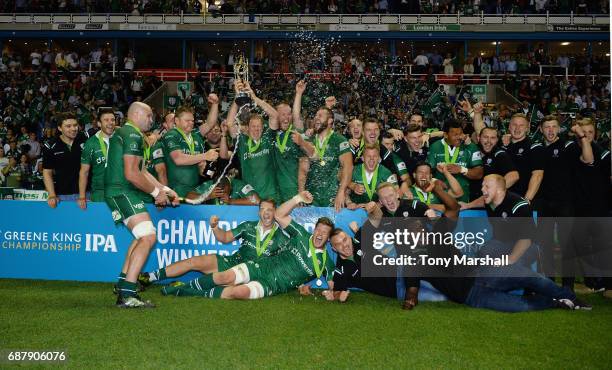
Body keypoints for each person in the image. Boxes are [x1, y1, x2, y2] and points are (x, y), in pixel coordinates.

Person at [161, 191, 335, 300]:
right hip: (261, 267)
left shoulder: (327, 263)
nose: (319, 234)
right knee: (224, 278)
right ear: (314, 229)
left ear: (328, 238)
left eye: (324, 233)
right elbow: (280, 214)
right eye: (318, 229)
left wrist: (331, 294)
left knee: (237, 293)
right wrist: (298, 198)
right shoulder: (301, 234)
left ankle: (186, 291)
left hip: (274, 285)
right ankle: (181, 288)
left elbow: (333, 285)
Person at [104, 102, 180, 308]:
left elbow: (143, 171)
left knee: (142, 237)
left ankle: (123, 285)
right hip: (122, 192)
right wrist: (156, 193)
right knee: (148, 237)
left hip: (123, 192)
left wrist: (165, 190)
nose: (151, 120)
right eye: (148, 116)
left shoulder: (131, 134)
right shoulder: (133, 135)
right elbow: (131, 174)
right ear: (136, 115)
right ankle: (127, 294)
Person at [138, 199, 287, 290]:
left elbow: (289, 263)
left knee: (221, 284)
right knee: (194, 261)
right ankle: (150, 277)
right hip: (234, 262)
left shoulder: (282, 237)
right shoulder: (248, 226)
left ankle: (185, 286)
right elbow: (225, 238)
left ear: (275, 212)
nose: (266, 213)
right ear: (258, 212)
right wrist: (215, 227)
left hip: (256, 274)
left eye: (270, 210)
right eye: (262, 209)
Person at [538, 115, 588, 290]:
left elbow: (587, 158)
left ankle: (568, 286)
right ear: (541, 129)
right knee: (545, 244)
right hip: (544, 203)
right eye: (547, 127)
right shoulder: (537, 148)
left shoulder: (569, 146)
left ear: (559, 129)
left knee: (567, 244)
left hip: (565, 202)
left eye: (553, 127)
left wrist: (581, 135)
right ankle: (549, 284)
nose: (550, 130)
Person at [221, 81, 280, 202]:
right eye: (253, 126)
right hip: (250, 197)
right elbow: (230, 123)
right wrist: (237, 99)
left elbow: (275, 116)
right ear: (247, 128)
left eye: (259, 126)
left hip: (270, 195)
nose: (256, 129)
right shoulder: (242, 141)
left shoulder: (268, 138)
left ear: (263, 128)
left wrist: (254, 97)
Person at [299, 107, 352, 211]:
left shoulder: (339, 140)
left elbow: (348, 167)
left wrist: (341, 192)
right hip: (311, 198)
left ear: (330, 120)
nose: (316, 118)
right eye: (315, 116)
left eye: (320, 116)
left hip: (332, 199)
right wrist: (301, 192)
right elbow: (303, 170)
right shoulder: (308, 141)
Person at [163, 106, 218, 198]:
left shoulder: (195, 136)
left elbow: (210, 124)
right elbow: (178, 159)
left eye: (192, 121)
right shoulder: (171, 135)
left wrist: (215, 104)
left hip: (194, 187)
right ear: (176, 120)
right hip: (177, 188)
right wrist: (205, 156)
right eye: (187, 120)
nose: (191, 123)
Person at [273, 80, 314, 203]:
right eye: (282, 115)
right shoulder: (271, 133)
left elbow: (296, 115)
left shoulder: (296, 132)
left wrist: (299, 94)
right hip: (275, 189)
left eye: (288, 114)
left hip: (293, 188)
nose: (286, 118)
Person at [427, 119, 483, 203]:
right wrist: (434, 180)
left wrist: (461, 169)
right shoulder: (435, 147)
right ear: (445, 135)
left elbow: (479, 173)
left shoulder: (471, 147)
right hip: (440, 196)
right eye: (455, 134)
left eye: (461, 133)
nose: (459, 137)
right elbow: (426, 171)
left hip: (462, 199)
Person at [42, 113, 88, 208]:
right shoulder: (50, 146)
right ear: (59, 128)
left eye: (75, 125)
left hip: (86, 194)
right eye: (68, 126)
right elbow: (47, 172)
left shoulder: (85, 139)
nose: (73, 128)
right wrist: (52, 195)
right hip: (62, 196)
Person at [500, 113, 544, 207]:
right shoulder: (502, 144)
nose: (517, 128)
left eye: (521, 125)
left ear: (527, 128)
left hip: (521, 199)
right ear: (509, 127)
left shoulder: (534, 147)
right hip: (501, 198)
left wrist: (526, 200)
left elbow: (537, 175)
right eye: (514, 125)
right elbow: (483, 135)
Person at [78, 108, 116, 209]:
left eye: (112, 120)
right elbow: (84, 172)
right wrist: (82, 196)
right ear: (99, 123)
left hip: (120, 191)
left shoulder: (121, 139)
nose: (110, 123)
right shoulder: (91, 143)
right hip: (100, 193)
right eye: (106, 120)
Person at [346, 144, 397, 209]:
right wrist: (349, 203)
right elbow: (344, 190)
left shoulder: (386, 173)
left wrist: (377, 205)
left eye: (375, 156)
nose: (371, 159)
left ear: (379, 159)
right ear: (363, 158)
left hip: (378, 210)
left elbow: (395, 194)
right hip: (355, 209)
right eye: (368, 156)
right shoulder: (353, 171)